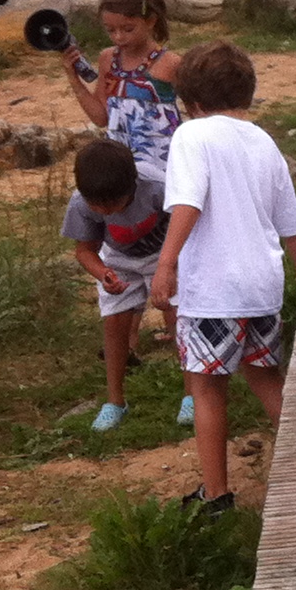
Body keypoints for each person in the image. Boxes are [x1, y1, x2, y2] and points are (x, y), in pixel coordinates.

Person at [155, 41, 296, 513]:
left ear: (190, 103)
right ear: (246, 95)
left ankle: (216, 495)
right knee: (267, 379)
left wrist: (166, 263)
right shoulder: (263, 142)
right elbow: (290, 221)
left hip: (213, 292)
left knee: (207, 389)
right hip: (261, 288)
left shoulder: (191, 137)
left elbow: (188, 203)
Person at [58, 137, 176, 433]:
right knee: (114, 324)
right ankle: (115, 401)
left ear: (132, 186)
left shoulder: (157, 185)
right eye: (98, 206)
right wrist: (103, 274)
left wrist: (168, 268)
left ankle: (191, 394)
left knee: (177, 315)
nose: (107, 212)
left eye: (114, 205)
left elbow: (184, 221)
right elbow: (85, 250)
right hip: (119, 260)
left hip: (164, 256)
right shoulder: (82, 203)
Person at [60, 0, 184, 183]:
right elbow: (101, 118)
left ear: (150, 21)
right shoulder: (108, 60)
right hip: (121, 169)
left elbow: (198, 113)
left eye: (128, 29)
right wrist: (74, 79)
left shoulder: (170, 64)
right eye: (110, 30)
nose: (118, 37)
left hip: (164, 168)